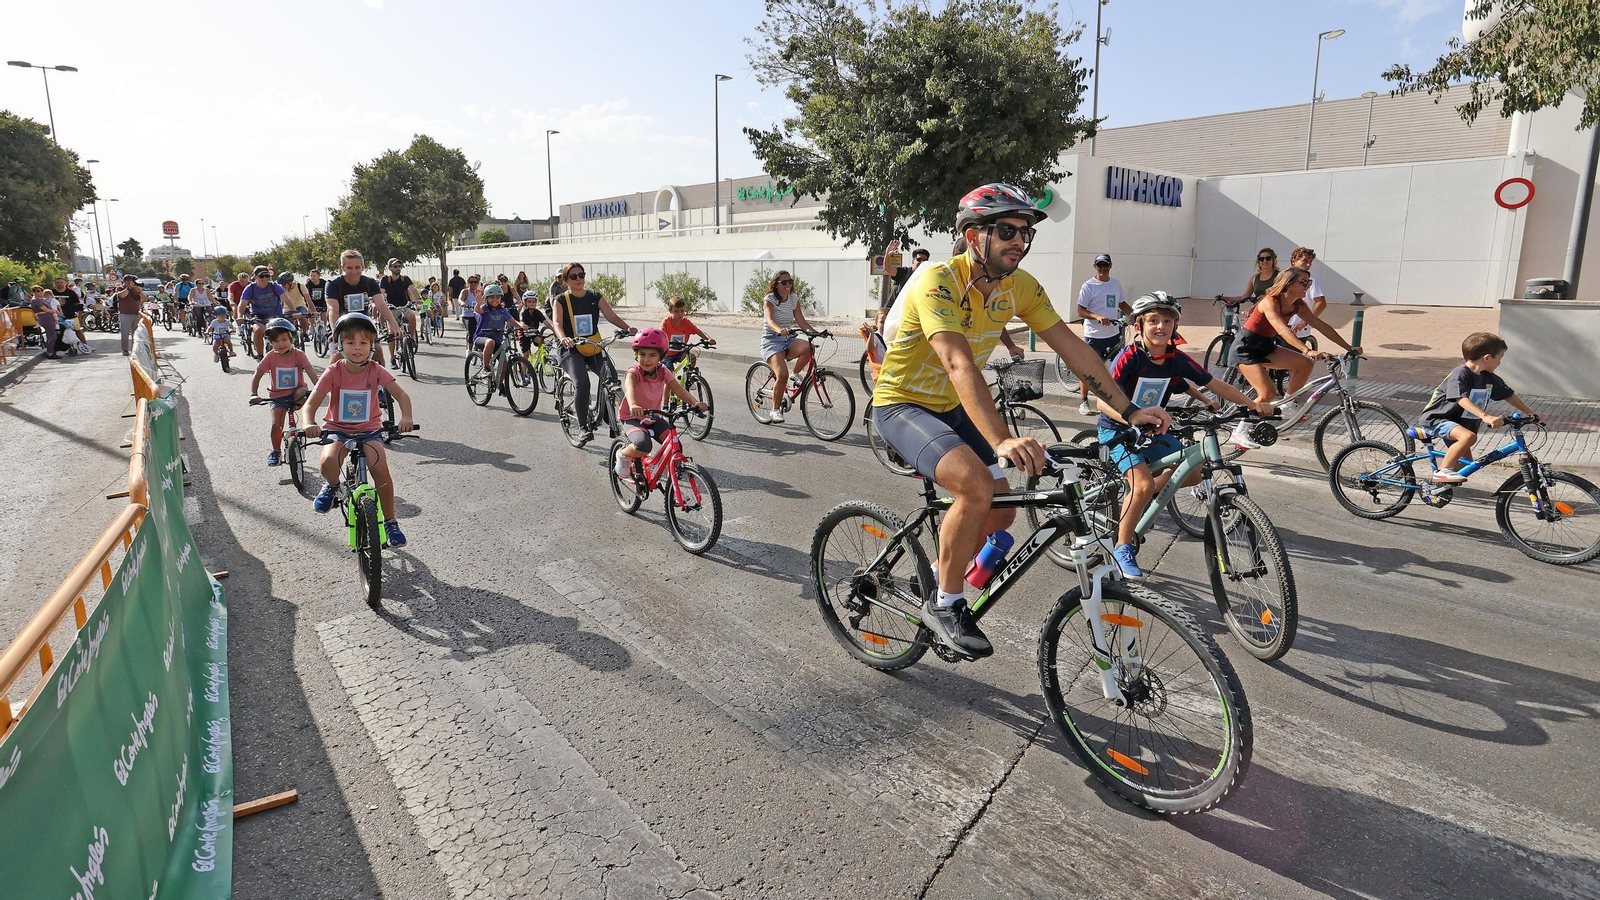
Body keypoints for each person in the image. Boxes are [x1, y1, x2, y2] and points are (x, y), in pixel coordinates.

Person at [871, 182, 1170, 658]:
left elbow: (1074, 350)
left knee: (1002, 511)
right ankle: (947, 604)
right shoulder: (939, 281)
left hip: (952, 408)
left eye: (1026, 232)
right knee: (973, 485)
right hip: (902, 405)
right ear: (973, 237)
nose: (1020, 240)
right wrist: (1003, 439)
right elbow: (958, 363)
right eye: (1007, 230)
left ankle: (936, 577)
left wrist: (1129, 409)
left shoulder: (1021, 288)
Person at [1094, 293, 1274, 578]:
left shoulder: (1176, 358)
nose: (1160, 326)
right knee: (1140, 486)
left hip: (1152, 429)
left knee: (1192, 473)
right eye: (1153, 320)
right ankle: (1122, 546)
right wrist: (1130, 415)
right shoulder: (1128, 357)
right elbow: (1101, 401)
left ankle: (1143, 496)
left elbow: (1214, 383)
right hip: (1118, 430)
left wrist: (1251, 404)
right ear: (1139, 324)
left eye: (1167, 321)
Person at [303, 313, 414, 547]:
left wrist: (406, 417)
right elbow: (311, 403)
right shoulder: (334, 371)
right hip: (338, 430)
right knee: (327, 462)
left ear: (372, 346)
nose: (357, 347)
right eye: (350, 342)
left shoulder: (376, 370)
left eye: (364, 342)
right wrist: (308, 423)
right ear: (340, 345)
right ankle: (333, 486)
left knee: (380, 470)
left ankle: (391, 522)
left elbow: (401, 395)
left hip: (369, 431)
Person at [1227, 266, 1361, 448]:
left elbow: (1321, 325)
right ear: (1288, 283)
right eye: (1303, 282)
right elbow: (1282, 329)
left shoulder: (1298, 304)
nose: (1307, 286)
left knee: (1305, 364)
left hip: (1266, 346)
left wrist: (1349, 347)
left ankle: (1288, 406)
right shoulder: (1270, 302)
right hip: (1246, 348)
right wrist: (1307, 349)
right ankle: (1239, 431)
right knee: (1267, 392)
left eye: (1309, 282)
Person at [1418, 332, 1537, 483]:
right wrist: (1486, 416)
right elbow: (1461, 398)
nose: (1500, 362)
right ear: (1487, 358)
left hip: (1461, 424)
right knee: (1468, 437)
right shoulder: (1460, 373)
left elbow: (1509, 395)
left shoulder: (1488, 377)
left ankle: (1436, 489)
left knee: (1466, 466)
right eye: (1500, 358)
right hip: (1438, 419)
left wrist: (1530, 412)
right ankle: (1442, 472)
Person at [549, 261, 636, 440]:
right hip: (570, 348)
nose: (579, 279)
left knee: (611, 377)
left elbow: (611, 315)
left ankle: (608, 414)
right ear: (566, 280)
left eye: (581, 275)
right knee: (582, 383)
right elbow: (556, 323)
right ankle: (583, 427)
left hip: (593, 345)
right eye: (573, 276)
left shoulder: (594, 296)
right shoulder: (561, 300)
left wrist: (628, 329)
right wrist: (563, 338)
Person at [614, 328, 709, 483]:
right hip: (632, 417)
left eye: (652, 355)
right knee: (643, 445)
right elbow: (629, 388)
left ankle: (673, 483)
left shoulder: (663, 370)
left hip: (653, 416)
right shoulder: (634, 372)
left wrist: (695, 403)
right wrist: (633, 404)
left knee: (675, 446)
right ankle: (623, 454)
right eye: (642, 354)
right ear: (636, 355)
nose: (646, 359)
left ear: (660, 356)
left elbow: (678, 389)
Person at [250, 317, 317, 466]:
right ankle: (276, 451)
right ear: (270, 342)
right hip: (277, 397)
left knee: (303, 393)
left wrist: (320, 389)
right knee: (276, 425)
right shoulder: (270, 357)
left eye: (284, 339)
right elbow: (257, 376)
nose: (280, 344)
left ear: (291, 338)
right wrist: (254, 394)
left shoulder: (299, 354)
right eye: (276, 341)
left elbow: (311, 372)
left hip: (297, 395)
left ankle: (309, 421)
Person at [1074, 253, 1130, 416]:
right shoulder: (1088, 286)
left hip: (1113, 335)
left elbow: (1122, 304)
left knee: (1117, 368)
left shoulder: (1115, 284)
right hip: (1094, 335)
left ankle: (1115, 401)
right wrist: (1097, 316)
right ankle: (1084, 402)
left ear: (1111, 266)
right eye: (1100, 266)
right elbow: (1080, 310)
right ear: (1095, 267)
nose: (1103, 269)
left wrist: (1137, 317)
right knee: (1088, 369)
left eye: (1106, 265)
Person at [759, 270, 816, 424]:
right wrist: (779, 330)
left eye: (790, 281)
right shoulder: (769, 299)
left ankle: (795, 373)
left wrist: (816, 333)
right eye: (784, 282)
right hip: (771, 341)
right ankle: (775, 410)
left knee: (809, 348)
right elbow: (769, 321)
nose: (788, 285)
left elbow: (801, 321)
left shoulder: (793, 299)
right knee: (781, 375)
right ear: (776, 284)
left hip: (788, 338)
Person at [325, 250, 389, 366]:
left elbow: (381, 304)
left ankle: (380, 383)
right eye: (349, 268)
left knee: (378, 351)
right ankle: (330, 383)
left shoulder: (370, 283)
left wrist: (394, 325)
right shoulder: (333, 284)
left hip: (364, 327)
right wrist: (336, 332)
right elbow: (333, 310)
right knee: (337, 357)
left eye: (357, 267)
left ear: (363, 267)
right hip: (341, 328)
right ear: (342, 268)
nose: (354, 271)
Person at [379, 258, 421, 366]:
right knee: (391, 332)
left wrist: (419, 299)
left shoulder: (404, 279)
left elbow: (413, 289)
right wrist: (382, 302)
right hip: (392, 308)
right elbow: (381, 292)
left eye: (399, 266)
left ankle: (411, 339)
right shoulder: (385, 279)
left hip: (404, 306)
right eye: (395, 266)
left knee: (411, 316)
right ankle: (392, 358)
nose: (398, 268)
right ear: (389, 268)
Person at [240, 265, 288, 356]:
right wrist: (239, 316)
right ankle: (261, 357)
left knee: (285, 331)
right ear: (255, 277)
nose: (265, 278)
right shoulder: (250, 288)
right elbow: (242, 304)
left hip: (276, 315)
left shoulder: (275, 286)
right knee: (258, 330)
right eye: (262, 276)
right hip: (258, 315)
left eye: (267, 276)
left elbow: (287, 300)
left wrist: (294, 311)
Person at [1285, 247, 1327, 343]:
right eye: (1304, 261)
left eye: (1310, 262)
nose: (1308, 265)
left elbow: (1321, 303)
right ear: (1294, 261)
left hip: (1297, 328)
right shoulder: (1285, 277)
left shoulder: (1311, 280)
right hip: (1281, 326)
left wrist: (1305, 322)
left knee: (1293, 356)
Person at [473, 285, 517, 375]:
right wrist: (478, 302)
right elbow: (478, 310)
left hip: (497, 341)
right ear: (486, 298)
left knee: (505, 363)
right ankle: (486, 368)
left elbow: (512, 321)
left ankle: (501, 387)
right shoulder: (484, 308)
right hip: (481, 338)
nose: (495, 300)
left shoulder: (502, 310)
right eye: (492, 297)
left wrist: (521, 326)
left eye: (498, 297)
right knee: (490, 342)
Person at [660, 296, 714, 370]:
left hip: (681, 352)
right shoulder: (666, 322)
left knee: (692, 358)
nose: (680, 314)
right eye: (677, 311)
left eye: (682, 311)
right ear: (670, 311)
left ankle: (689, 377)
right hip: (667, 355)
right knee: (669, 374)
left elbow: (699, 331)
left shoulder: (686, 322)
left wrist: (709, 339)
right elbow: (660, 334)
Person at [110, 275, 146, 356]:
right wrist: (128, 287)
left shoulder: (136, 289)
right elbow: (122, 295)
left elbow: (145, 298)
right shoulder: (120, 288)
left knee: (137, 333)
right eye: (133, 281)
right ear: (127, 281)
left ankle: (136, 348)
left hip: (136, 314)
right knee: (125, 333)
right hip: (125, 314)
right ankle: (125, 349)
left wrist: (138, 290)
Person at [30, 285, 62, 360]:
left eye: (41, 290)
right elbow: (45, 309)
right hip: (45, 318)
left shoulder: (41, 299)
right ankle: (50, 352)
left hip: (49, 317)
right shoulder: (35, 300)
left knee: (50, 335)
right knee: (53, 336)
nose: (40, 292)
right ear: (34, 292)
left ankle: (50, 350)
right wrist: (55, 311)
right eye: (38, 291)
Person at [457, 273, 484, 348]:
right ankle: (469, 351)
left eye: (475, 282)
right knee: (471, 332)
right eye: (471, 282)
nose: (473, 284)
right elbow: (460, 299)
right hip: (468, 315)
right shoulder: (465, 291)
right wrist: (462, 303)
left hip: (478, 315)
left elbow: (484, 302)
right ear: (468, 283)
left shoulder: (480, 292)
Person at [518, 290, 547, 356]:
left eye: (533, 301)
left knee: (540, 340)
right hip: (524, 334)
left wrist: (554, 329)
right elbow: (522, 322)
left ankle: (541, 358)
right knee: (526, 354)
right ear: (525, 303)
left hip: (533, 333)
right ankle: (524, 366)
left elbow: (545, 322)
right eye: (529, 302)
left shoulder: (537, 312)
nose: (532, 303)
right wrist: (523, 325)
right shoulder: (524, 312)